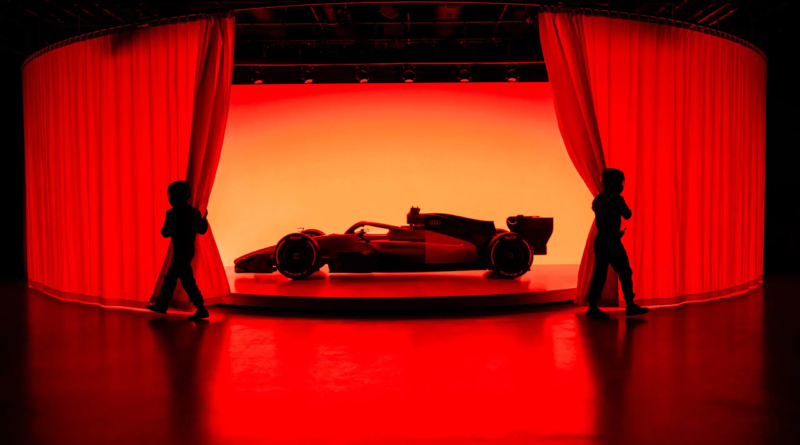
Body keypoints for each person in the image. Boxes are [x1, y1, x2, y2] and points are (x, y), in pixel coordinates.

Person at [586, 168, 649, 320]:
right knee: (625, 272)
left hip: (601, 240)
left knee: (600, 274)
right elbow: (627, 214)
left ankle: (592, 307)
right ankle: (630, 305)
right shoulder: (617, 200)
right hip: (612, 241)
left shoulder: (598, 199)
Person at [146, 181, 210, 321]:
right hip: (188, 250)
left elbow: (165, 233)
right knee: (176, 278)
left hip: (179, 250)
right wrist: (204, 219)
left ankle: (199, 307)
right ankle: (165, 305)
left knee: (183, 280)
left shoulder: (172, 213)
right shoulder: (194, 213)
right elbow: (201, 230)